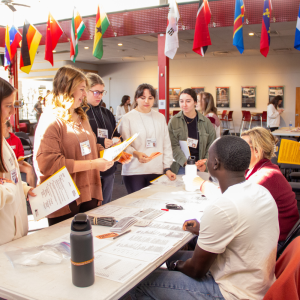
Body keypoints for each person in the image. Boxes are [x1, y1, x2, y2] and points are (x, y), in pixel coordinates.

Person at [130, 136, 279, 300]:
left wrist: (175, 266)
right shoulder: (261, 192)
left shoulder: (222, 207)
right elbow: (243, 228)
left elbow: (196, 270)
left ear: (215, 163)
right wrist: (205, 229)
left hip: (232, 293)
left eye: (209, 157)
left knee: (141, 282)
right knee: (171, 255)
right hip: (257, 282)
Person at [34, 65, 114, 226]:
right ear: (67, 88)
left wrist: (112, 154)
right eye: (82, 89)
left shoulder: (81, 116)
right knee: (66, 246)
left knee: (89, 242)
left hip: (88, 190)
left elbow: (91, 148)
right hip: (64, 197)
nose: (85, 94)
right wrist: (93, 163)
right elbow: (49, 164)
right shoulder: (51, 119)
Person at [241, 127, 299, 244]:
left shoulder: (266, 177)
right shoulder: (260, 168)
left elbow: (237, 202)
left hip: (277, 242)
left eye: (242, 148)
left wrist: (203, 185)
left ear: (257, 151)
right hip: (269, 232)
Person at [119, 83, 176, 194]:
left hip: (157, 169)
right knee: (137, 206)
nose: (147, 101)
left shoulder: (160, 117)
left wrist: (167, 167)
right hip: (134, 170)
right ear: (136, 98)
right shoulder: (127, 118)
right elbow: (124, 145)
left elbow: (166, 144)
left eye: (150, 98)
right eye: (143, 98)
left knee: (155, 205)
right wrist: (136, 153)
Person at [85, 73, 131, 204]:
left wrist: (118, 144)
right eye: (96, 92)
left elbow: (115, 134)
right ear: (86, 91)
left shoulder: (107, 113)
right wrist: (100, 142)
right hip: (90, 168)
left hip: (109, 166)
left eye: (102, 92)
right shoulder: (80, 113)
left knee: (106, 205)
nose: (99, 96)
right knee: (91, 208)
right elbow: (79, 141)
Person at [0, 78, 36, 246]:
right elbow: (5, 186)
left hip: (14, 233)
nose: (12, 112)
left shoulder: (3, 138)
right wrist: (9, 190)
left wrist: (24, 188)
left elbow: (10, 177)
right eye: (8, 105)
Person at [168, 88, 216, 174]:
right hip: (181, 166)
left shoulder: (206, 122)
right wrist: (187, 163)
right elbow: (173, 145)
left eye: (188, 101)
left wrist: (204, 163)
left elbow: (212, 145)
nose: (184, 104)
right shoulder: (174, 121)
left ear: (195, 102)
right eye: (181, 101)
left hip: (201, 166)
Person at [4, 120, 36, 187]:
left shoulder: (16, 139)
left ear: (8, 128)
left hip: (17, 162)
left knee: (30, 168)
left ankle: (31, 190)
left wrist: (20, 159)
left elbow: (21, 152)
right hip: (5, 164)